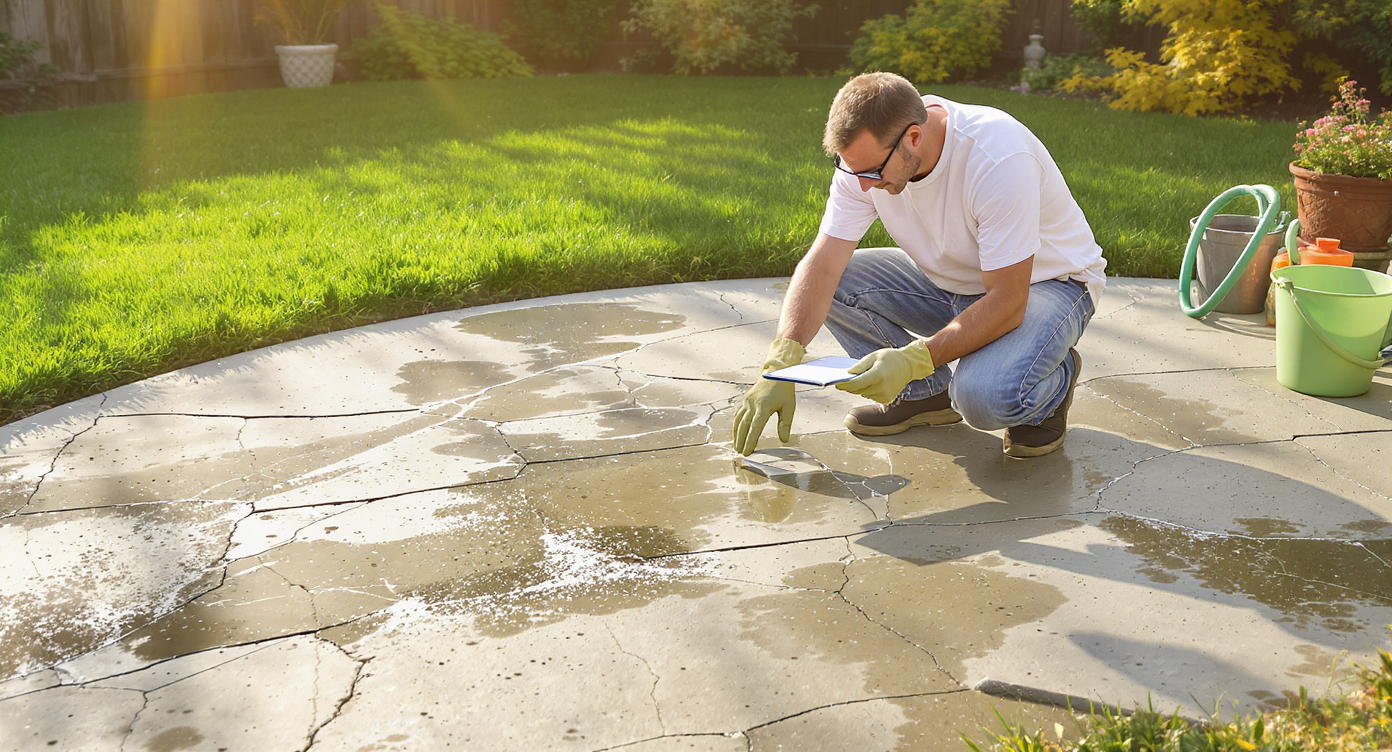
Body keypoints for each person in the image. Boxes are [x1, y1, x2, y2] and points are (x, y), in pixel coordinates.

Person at [732, 71, 1107, 459]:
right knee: (840, 282)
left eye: (872, 172)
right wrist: (780, 359)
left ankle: (1052, 385)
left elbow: (1008, 302)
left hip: (1045, 287)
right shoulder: (866, 162)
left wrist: (914, 359)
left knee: (983, 398)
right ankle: (924, 396)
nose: (862, 185)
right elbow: (823, 264)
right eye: (851, 170)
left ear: (914, 137)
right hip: (951, 284)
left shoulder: (997, 157)